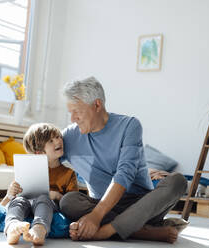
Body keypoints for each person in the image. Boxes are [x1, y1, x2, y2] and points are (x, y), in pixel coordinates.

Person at [59, 76, 188, 243]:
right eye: (70, 112)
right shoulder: (70, 135)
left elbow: (124, 174)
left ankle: (106, 231)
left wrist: (97, 217)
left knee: (177, 181)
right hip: (100, 203)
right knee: (68, 201)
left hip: (139, 204)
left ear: (97, 105)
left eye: (77, 111)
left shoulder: (129, 125)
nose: (72, 118)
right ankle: (142, 232)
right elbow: (47, 158)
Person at [0, 123, 78, 245]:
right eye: (51, 141)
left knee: (43, 198)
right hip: (26, 204)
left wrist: (57, 196)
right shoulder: (28, 171)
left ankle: (39, 229)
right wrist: (10, 195)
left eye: (58, 137)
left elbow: (74, 205)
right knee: (19, 200)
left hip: (47, 206)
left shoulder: (69, 174)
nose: (58, 141)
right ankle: (12, 227)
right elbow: (3, 206)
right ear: (39, 152)